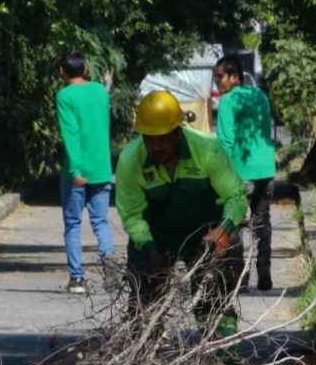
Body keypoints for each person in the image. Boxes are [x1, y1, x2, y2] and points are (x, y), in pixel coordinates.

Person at [115, 90, 248, 336]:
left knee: (214, 302)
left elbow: (235, 195)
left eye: (164, 138)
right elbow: (132, 214)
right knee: (144, 307)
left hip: (205, 235)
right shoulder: (130, 161)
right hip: (156, 239)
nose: (157, 146)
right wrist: (149, 249)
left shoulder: (207, 149)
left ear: (178, 132)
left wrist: (225, 229)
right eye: (150, 139)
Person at [56, 49, 116, 294]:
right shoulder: (101, 92)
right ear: (86, 69)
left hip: (76, 173)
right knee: (101, 221)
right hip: (102, 169)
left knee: (72, 224)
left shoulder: (64, 95)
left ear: (62, 72)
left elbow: (71, 134)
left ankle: (77, 280)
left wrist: (75, 169)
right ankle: (110, 262)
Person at [214, 54, 276, 291]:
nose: (217, 83)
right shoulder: (260, 96)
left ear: (235, 77)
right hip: (266, 169)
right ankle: (263, 267)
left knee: (234, 223)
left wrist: (219, 175)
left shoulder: (228, 101)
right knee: (262, 221)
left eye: (220, 77)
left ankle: (239, 277)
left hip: (241, 172)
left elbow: (226, 143)